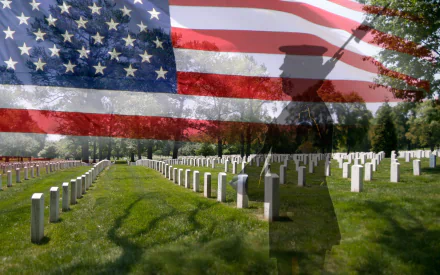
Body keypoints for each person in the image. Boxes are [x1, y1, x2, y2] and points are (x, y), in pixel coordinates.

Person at [230, 45, 342, 274]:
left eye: (287, 69)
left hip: (305, 208)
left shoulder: (315, 111)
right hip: (286, 201)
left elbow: (314, 161)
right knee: (284, 264)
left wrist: (290, 136)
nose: (281, 74)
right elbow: (270, 149)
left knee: (309, 264)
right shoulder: (293, 109)